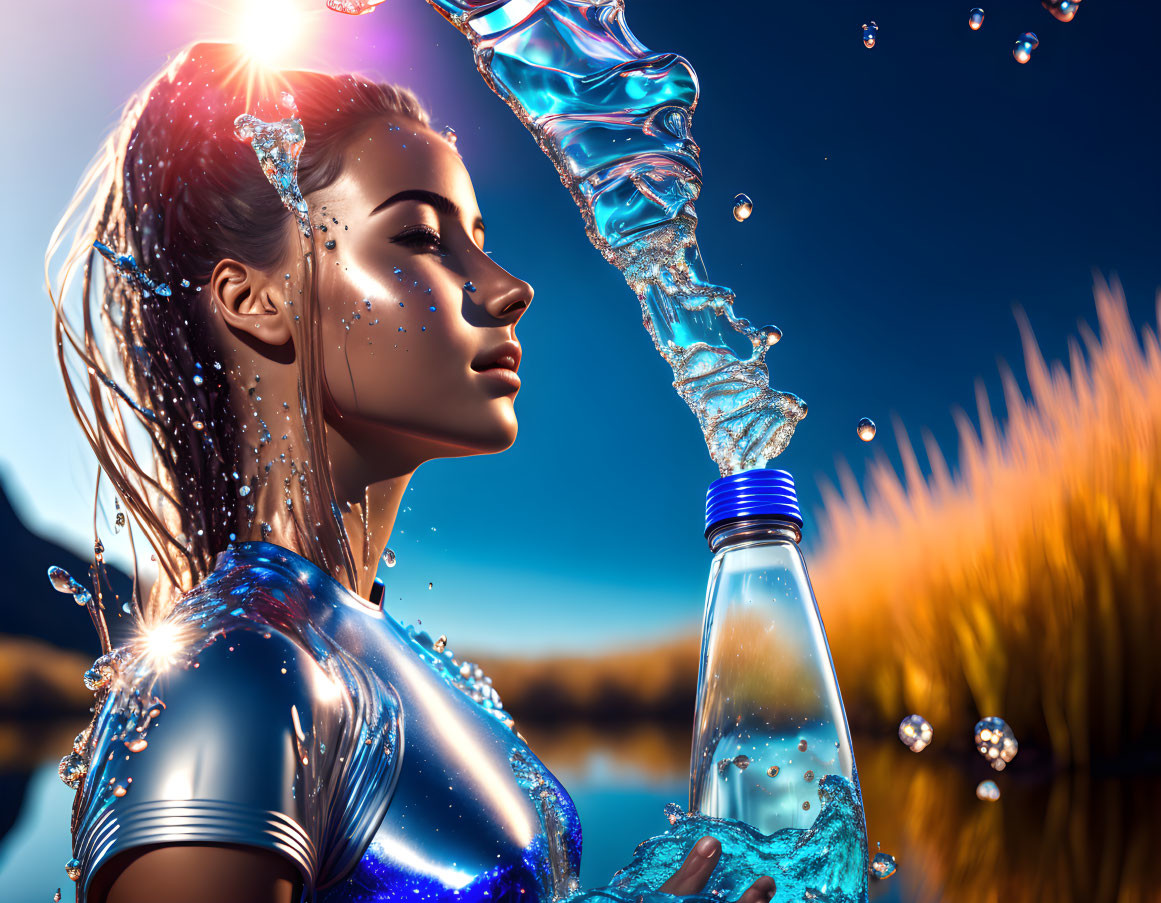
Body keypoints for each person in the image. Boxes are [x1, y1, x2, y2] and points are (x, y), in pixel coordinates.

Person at [47, 42, 778, 903]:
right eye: (421, 238)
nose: (508, 289)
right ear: (255, 300)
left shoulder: (370, 655)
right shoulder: (235, 675)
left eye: (476, 239)